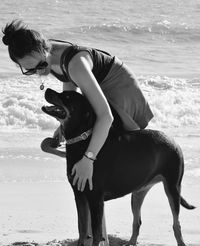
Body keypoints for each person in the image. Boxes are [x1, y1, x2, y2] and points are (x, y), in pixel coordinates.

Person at [2, 20, 153, 192]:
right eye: (30, 70)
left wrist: (88, 159)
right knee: (80, 134)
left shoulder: (76, 65)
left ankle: (107, 176)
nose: (39, 72)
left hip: (120, 88)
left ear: (44, 48)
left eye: (41, 65)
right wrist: (63, 124)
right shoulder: (48, 54)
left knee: (102, 143)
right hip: (99, 86)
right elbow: (70, 92)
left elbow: (106, 116)